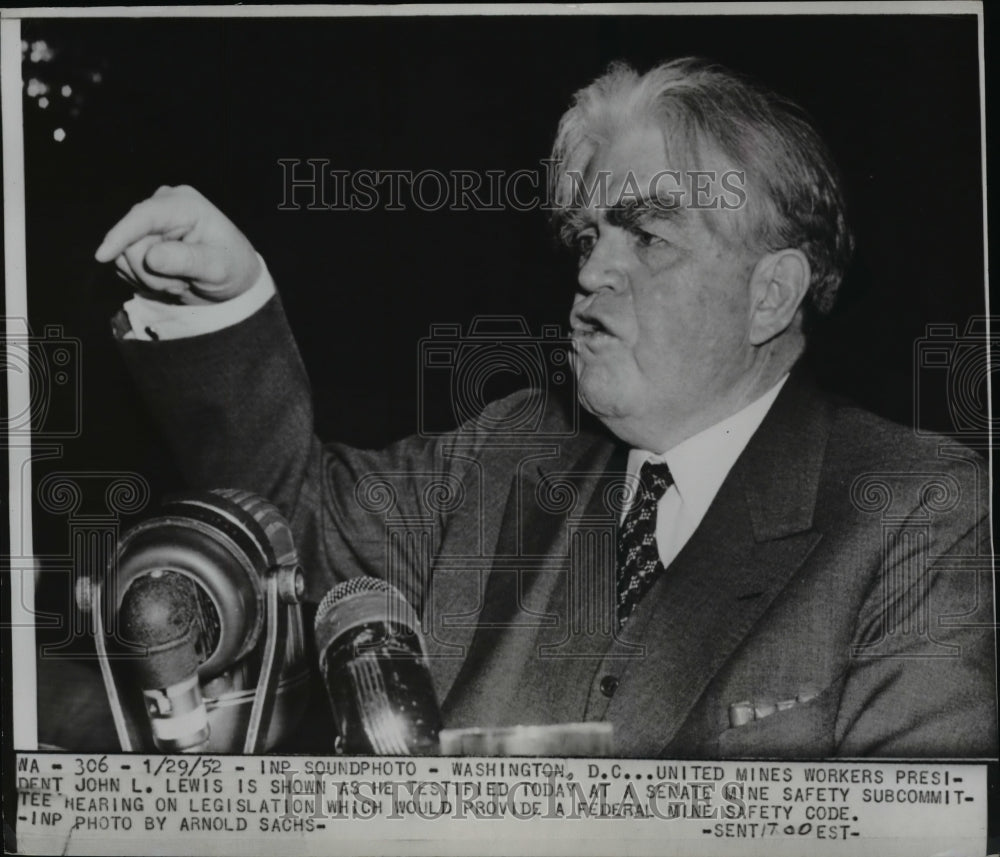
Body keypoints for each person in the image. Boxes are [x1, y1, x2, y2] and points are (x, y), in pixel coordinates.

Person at [81, 57, 994, 758]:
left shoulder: (915, 508)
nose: (592, 271)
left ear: (770, 294)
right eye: (587, 236)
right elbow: (285, 529)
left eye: (648, 234)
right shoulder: (508, 449)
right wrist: (221, 308)